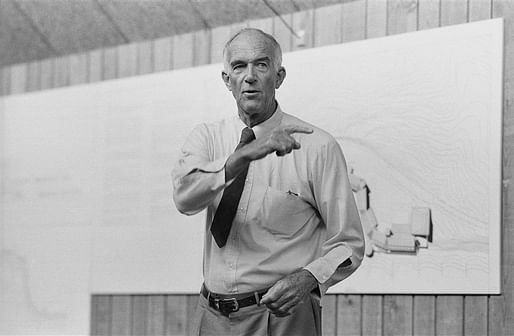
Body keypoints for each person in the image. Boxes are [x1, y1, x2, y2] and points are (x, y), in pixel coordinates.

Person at [172, 28, 364, 336]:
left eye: (261, 65)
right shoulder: (206, 138)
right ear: (227, 80)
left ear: (279, 76)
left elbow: (349, 244)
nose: (249, 76)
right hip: (212, 316)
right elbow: (184, 198)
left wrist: (309, 277)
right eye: (239, 66)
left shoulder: (317, 146)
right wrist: (245, 156)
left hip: (283, 317)